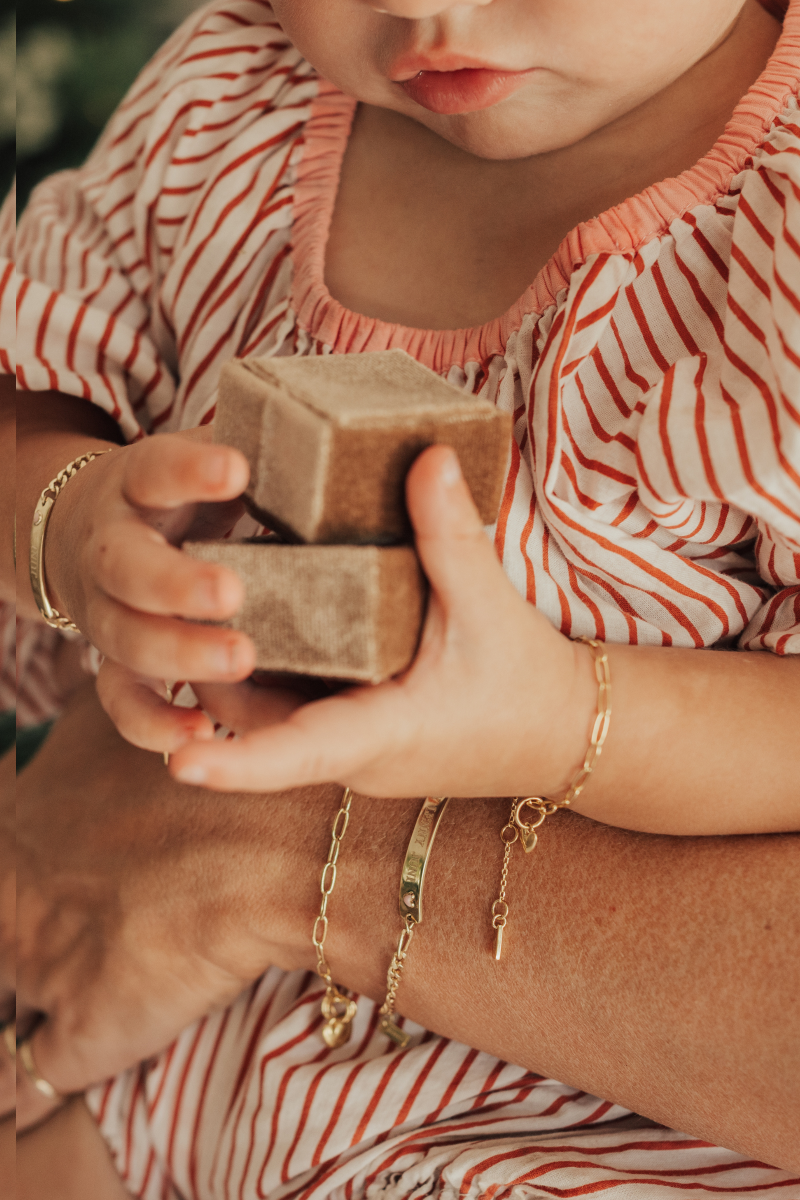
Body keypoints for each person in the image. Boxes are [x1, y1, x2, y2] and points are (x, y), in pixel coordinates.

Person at [5, 0, 800, 1194]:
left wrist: (563, 717)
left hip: (586, 1124)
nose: (426, 6)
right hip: (159, 1062)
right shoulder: (229, 98)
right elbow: (32, 369)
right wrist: (68, 519)